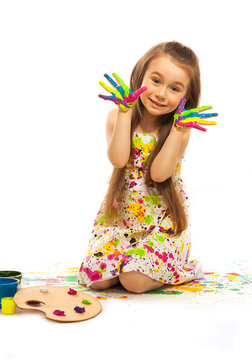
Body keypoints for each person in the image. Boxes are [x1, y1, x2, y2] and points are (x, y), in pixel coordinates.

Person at [78, 41, 217, 294]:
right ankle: (132, 263)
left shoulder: (180, 131)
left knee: (134, 282)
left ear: (186, 97)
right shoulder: (118, 116)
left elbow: (159, 174)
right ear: (140, 74)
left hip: (160, 225)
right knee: (97, 280)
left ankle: (179, 271)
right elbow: (119, 160)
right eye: (156, 81)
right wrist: (124, 114)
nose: (161, 93)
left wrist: (176, 130)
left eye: (174, 88)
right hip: (120, 221)